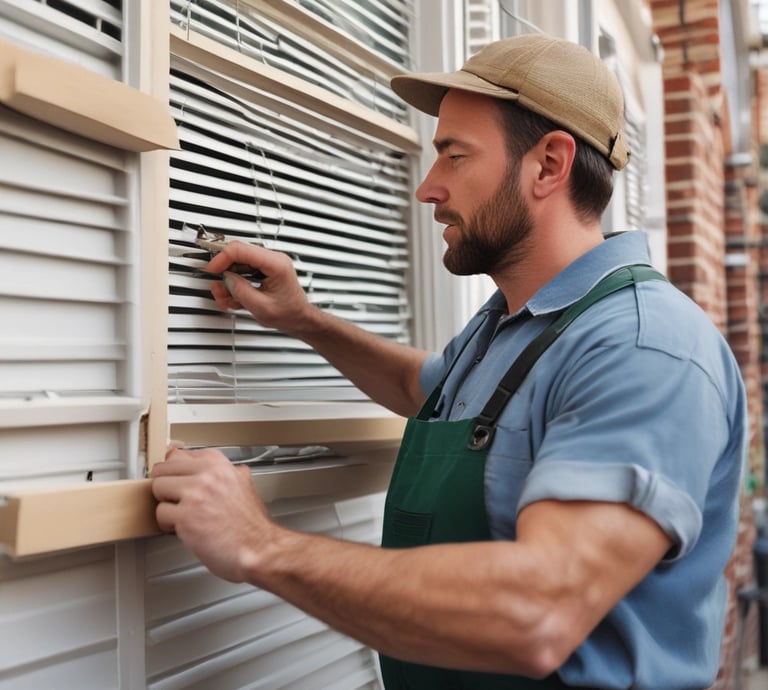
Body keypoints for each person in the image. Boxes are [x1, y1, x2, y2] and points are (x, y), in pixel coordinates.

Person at [151, 33, 747, 689]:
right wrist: (304, 320)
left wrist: (257, 543)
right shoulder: (509, 326)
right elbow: (421, 384)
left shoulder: (644, 347)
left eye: (454, 157)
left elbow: (539, 611)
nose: (427, 190)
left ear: (549, 165)